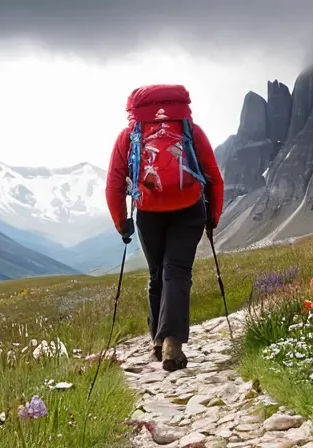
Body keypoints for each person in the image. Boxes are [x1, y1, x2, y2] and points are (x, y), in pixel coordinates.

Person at [105, 84, 224, 372]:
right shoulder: (191, 131)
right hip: (189, 209)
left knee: (158, 273)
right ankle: (172, 341)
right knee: (177, 271)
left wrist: (123, 225)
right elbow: (214, 178)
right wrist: (213, 217)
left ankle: (158, 342)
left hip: (148, 212)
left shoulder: (129, 136)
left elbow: (113, 185)